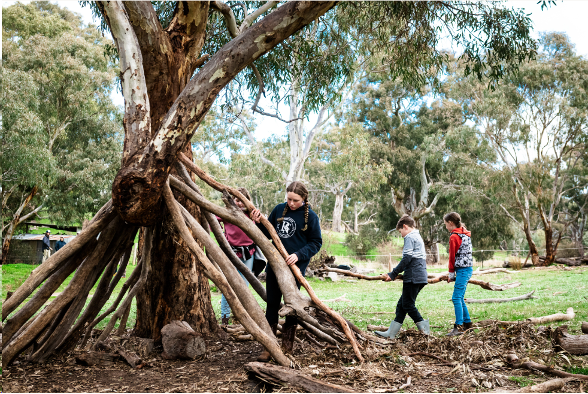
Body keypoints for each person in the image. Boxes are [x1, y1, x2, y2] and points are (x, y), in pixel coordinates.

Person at [251, 181, 322, 362]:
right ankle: (269, 347)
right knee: (272, 304)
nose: (291, 203)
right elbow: (266, 234)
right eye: (289, 199)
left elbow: (316, 243)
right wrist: (257, 222)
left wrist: (298, 255)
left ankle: (287, 348)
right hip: (274, 266)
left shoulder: (311, 217)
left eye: (295, 200)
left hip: (295, 269)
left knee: (291, 306)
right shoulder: (278, 210)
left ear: (304, 199)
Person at [375, 215, 430, 339]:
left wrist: (393, 274)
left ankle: (425, 331)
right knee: (402, 304)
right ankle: (391, 333)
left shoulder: (410, 236)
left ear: (405, 226)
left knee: (408, 305)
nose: (401, 235)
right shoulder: (418, 236)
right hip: (421, 275)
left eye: (401, 232)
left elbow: (407, 258)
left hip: (413, 276)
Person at [218, 187, 258, 326]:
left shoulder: (251, 214)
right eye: (237, 200)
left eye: (242, 200)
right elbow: (213, 221)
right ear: (232, 200)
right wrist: (221, 234)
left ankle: (242, 317)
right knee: (228, 286)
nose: (240, 203)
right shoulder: (226, 213)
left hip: (249, 254)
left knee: (244, 287)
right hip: (231, 253)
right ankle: (225, 317)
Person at [444, 212, 473, 336]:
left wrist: (451, 274)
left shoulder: (454, 236)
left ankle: (459, 327)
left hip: (462, 270)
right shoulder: (464, 233)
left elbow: (452, 257)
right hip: (467, 269)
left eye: (446, 224)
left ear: (451, 223)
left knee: (456, 298)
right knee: (460, 298)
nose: (446, 227)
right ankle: (468, 325)